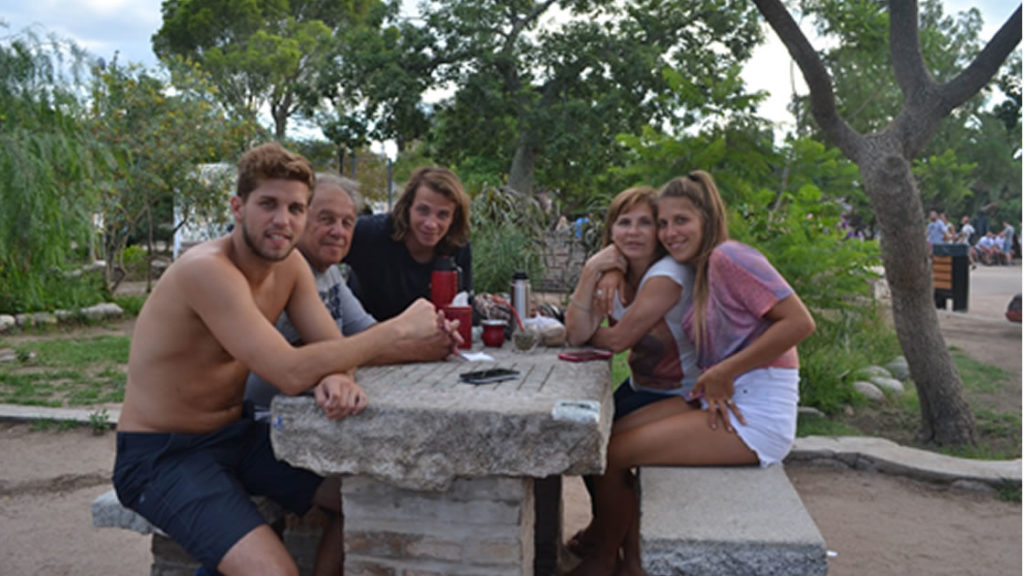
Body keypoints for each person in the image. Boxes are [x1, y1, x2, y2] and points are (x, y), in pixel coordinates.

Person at [113, 143, 440, 576]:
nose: (282, 221)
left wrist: (338, 376)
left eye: (295, 208)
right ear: (238, 206)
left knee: (364, 499)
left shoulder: (290, 268)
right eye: (268, 204)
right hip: (164, 454)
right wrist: (398, 327)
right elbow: (288, 371)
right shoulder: (207, 271)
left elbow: (329, 342)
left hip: (238, 435)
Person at [567, 171, 816, 576]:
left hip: (756, 414)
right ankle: (616, 553)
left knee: (611, 454)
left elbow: (800, 323)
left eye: (680, 221)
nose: (668, 233)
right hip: (725, 397)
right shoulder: (701, 268)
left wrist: (726, 371)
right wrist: (612, 270)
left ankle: (616, 561)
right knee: (604, 440)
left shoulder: (730, 257)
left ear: (707, 219)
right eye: (662, 223)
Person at [562, 186, 701, 566]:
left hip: (684, 392)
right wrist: (593, 271)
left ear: (659, 233)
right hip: (645, 386)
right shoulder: (615, 272)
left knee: (604, 450)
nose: (635, 232)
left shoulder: (668, 275)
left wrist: (589, 321)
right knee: (585, 438)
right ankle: (604, 535)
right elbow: (577, 333)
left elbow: (616, 341)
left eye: (646, 223)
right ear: (611, 231)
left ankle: (614, 555)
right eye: (625, 223)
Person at [245, 173, 459, 418]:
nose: (338, 232)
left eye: (347, 223)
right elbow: (309, 356)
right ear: (300, 218)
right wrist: (417, 345)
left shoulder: (330, 274)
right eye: (326, 219)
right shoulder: (280, 272)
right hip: (267, 418)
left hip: (315, 411)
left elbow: (363, 335)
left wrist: (432, 341)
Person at [345, 166, 473, 321]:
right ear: (408, 208)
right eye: (423, 210)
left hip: (427, 340)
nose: (431, 224)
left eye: (443, 214)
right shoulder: (369, 233)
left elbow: (462, 306)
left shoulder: (457, 246)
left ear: (454, 218)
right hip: (365, 336)